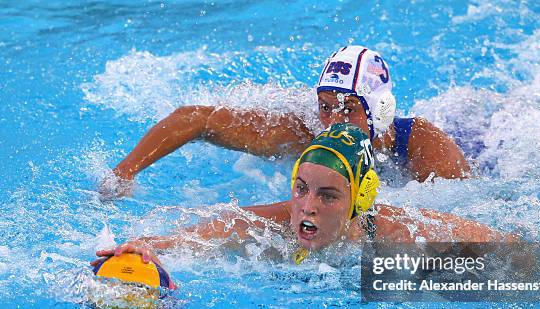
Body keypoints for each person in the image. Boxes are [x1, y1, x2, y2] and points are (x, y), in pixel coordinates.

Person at [92, 124, 510, 268]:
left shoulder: (401, 235)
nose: (307, 206)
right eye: (301, 189)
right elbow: (198, 237)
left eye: (328, 196)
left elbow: (516, 252)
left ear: (358, 200)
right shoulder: (270, 226)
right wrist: (145, 248)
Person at [100, 45, 471, 198]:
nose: (332, 122)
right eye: (326, 106)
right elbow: (195, 119)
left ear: (380, 112)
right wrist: (123, 174)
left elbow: (464, 217)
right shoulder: (302, 133)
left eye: (348, 109)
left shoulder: (423, 144)